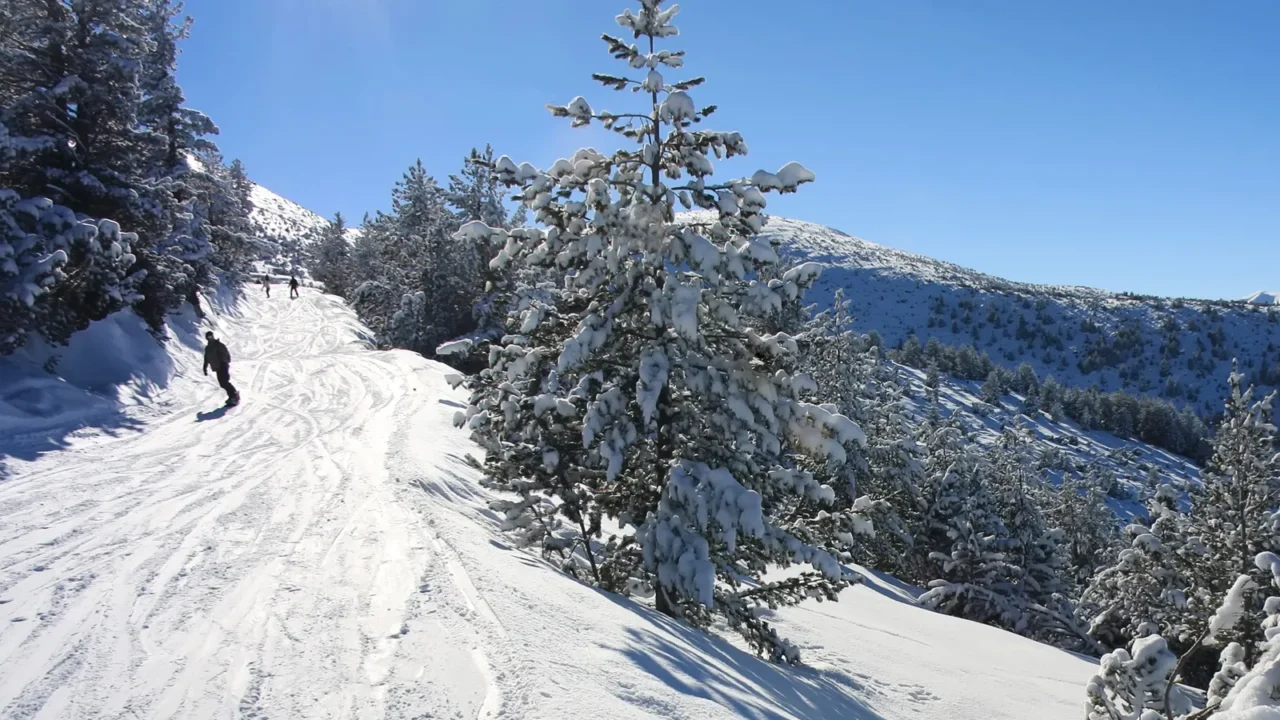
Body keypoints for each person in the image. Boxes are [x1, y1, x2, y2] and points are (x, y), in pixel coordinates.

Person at [203, 331, 239, 406]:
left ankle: (234, 395)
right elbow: (206, 359)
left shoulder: (218, 344)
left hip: (223, 365)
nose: (210, 338)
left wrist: (226, 361)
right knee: (222, 384)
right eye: (208, 337)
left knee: (225, 381)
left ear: (213, 336)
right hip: (217, 367)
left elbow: (226, 352)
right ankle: (232, 396)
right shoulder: (208, 348)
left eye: (211, 336)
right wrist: (205, 368)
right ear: (206, 338)